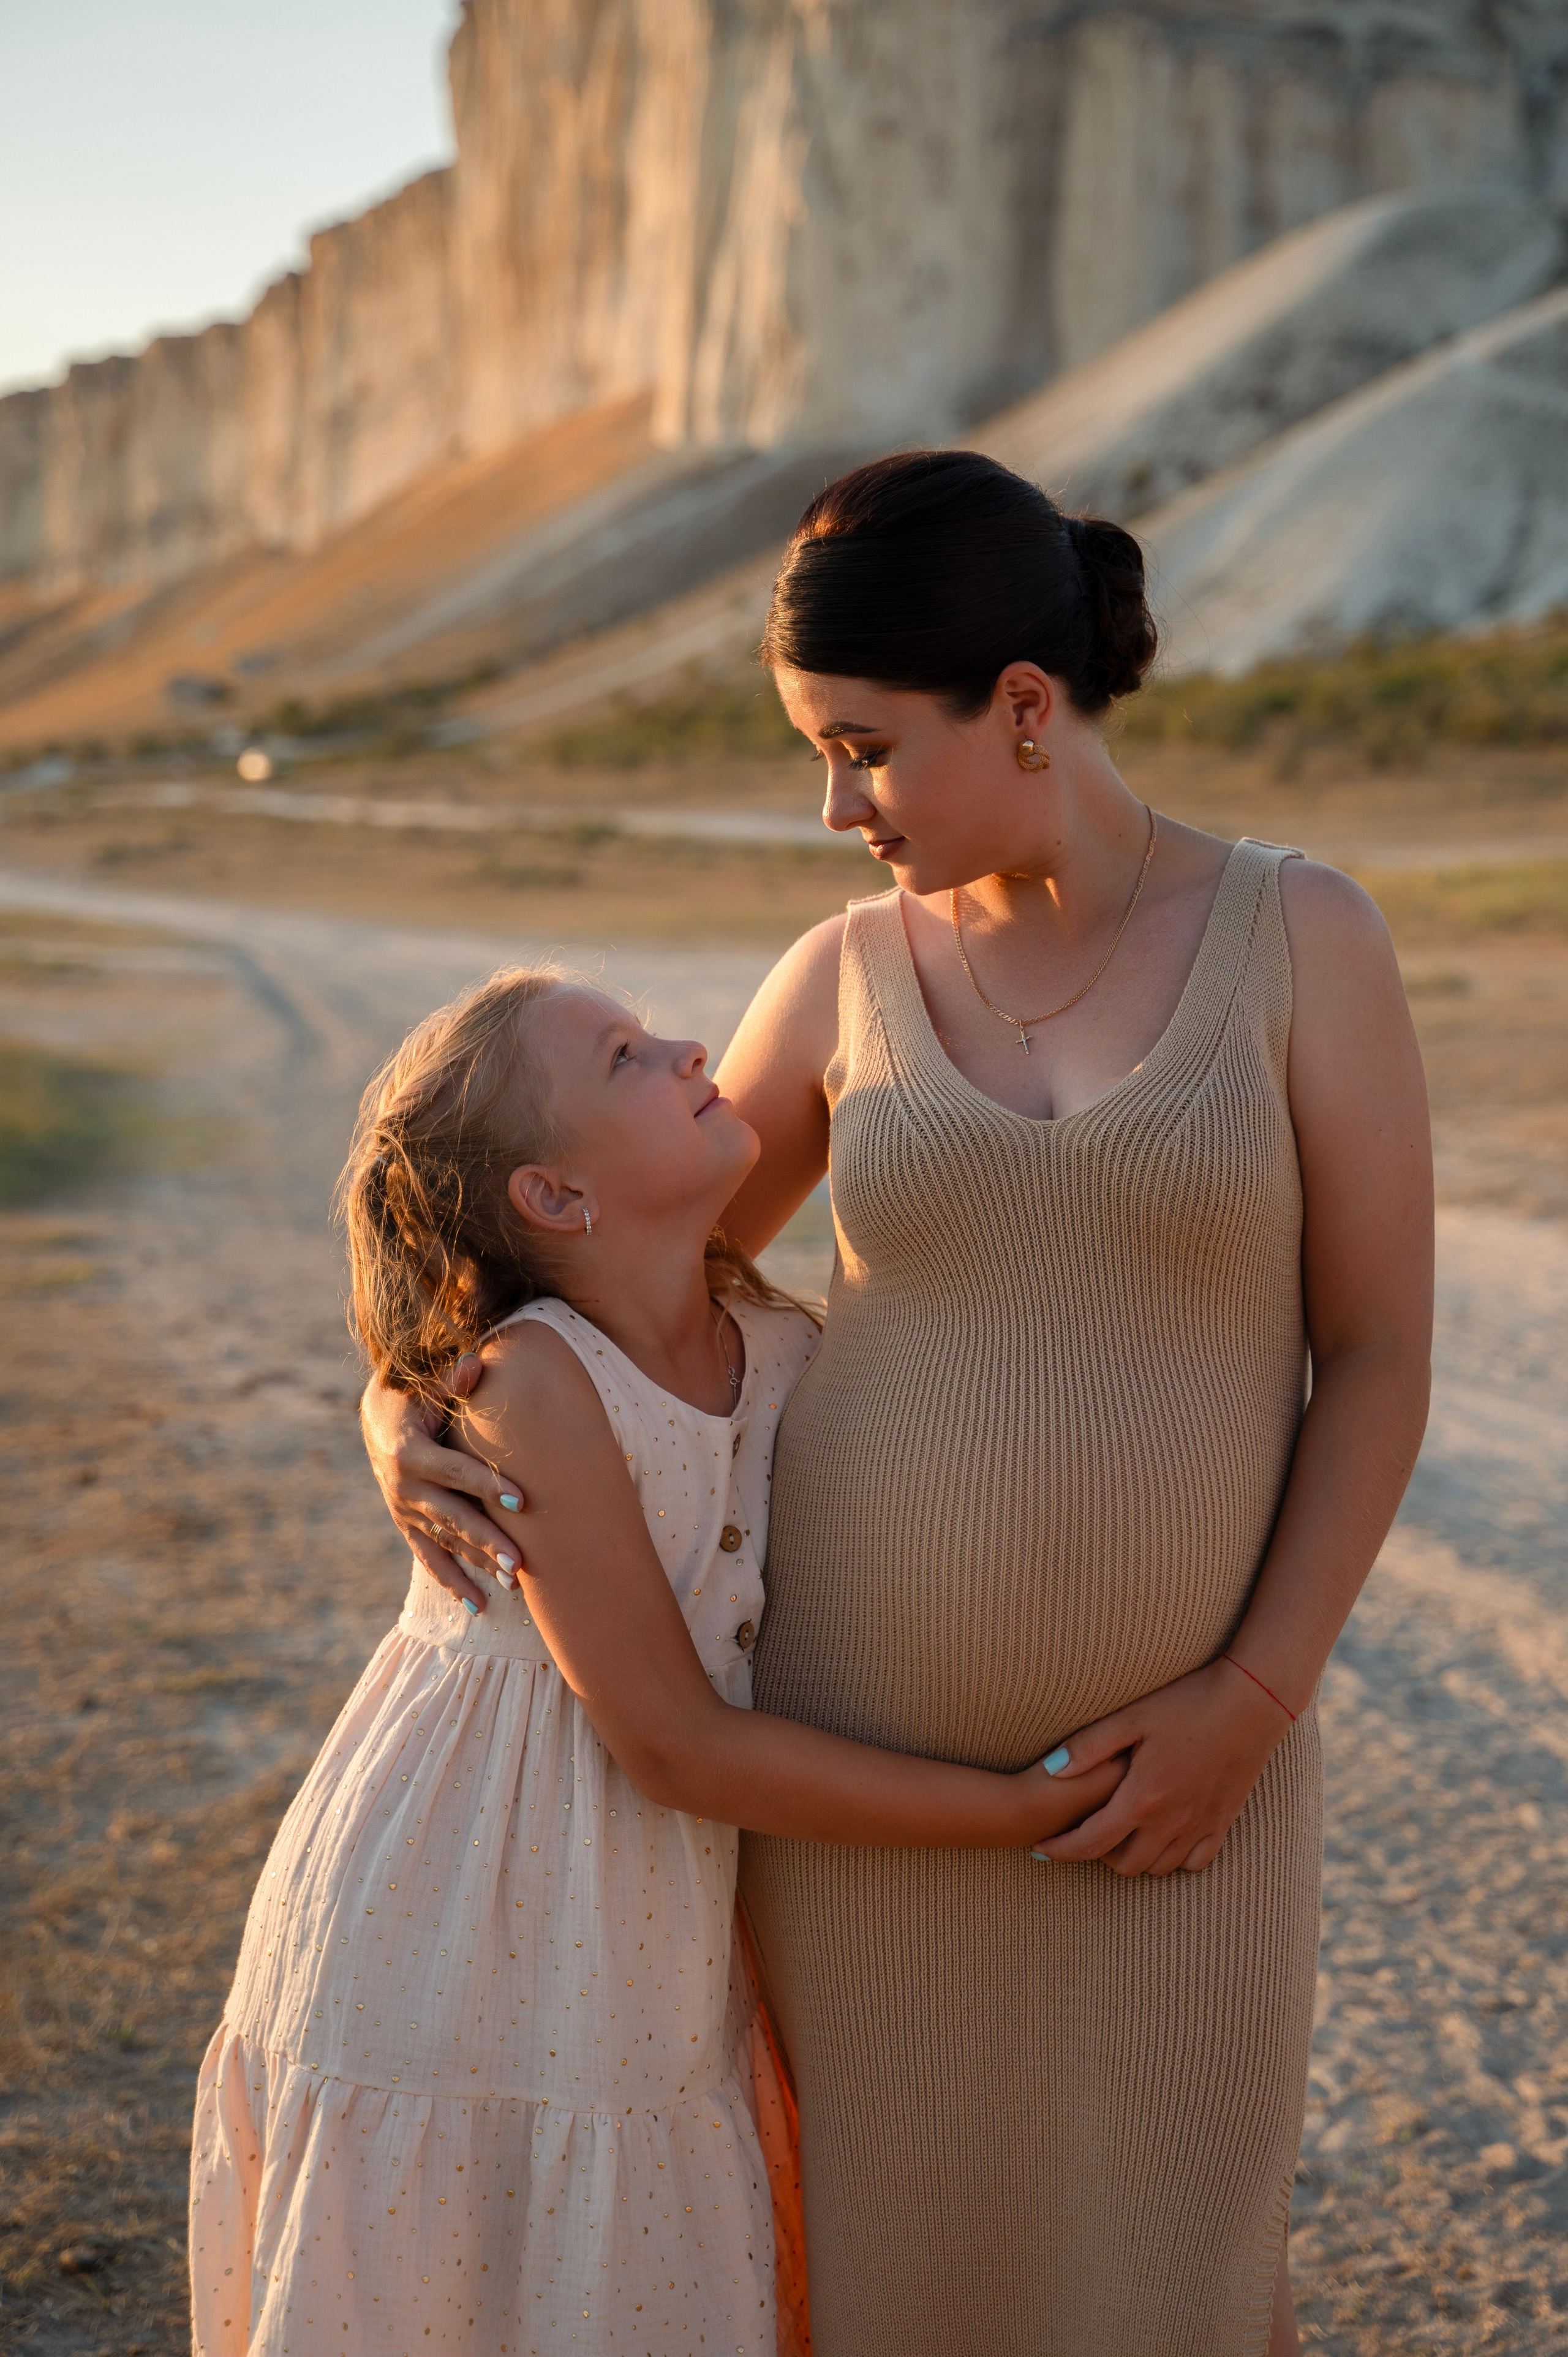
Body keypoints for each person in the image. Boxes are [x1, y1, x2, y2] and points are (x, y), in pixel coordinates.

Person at [360, 451, 1434, 2356]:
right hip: (863, 1809)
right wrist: (413, 1400)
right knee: (894, 2289)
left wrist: (1250, 1704)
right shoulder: (842, 977)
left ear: (1024, 709)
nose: (834, 807)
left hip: (1192, 1785)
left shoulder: (1304, 937)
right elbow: (606, 1268)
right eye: (816, 755)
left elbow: (1379, 1359)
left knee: (1188, 2278)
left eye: (863, 751)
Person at [188, 959, 1125, 2357]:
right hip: (462, 1907)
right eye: (626, 1056)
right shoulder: (535, 1383)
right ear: (556, 1200)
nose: (697, 1048)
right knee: (462, 2276)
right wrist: (1013, 1809)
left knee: (612, 2275)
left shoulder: (780, 1346)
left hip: (630, 1922)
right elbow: (673, 1743)